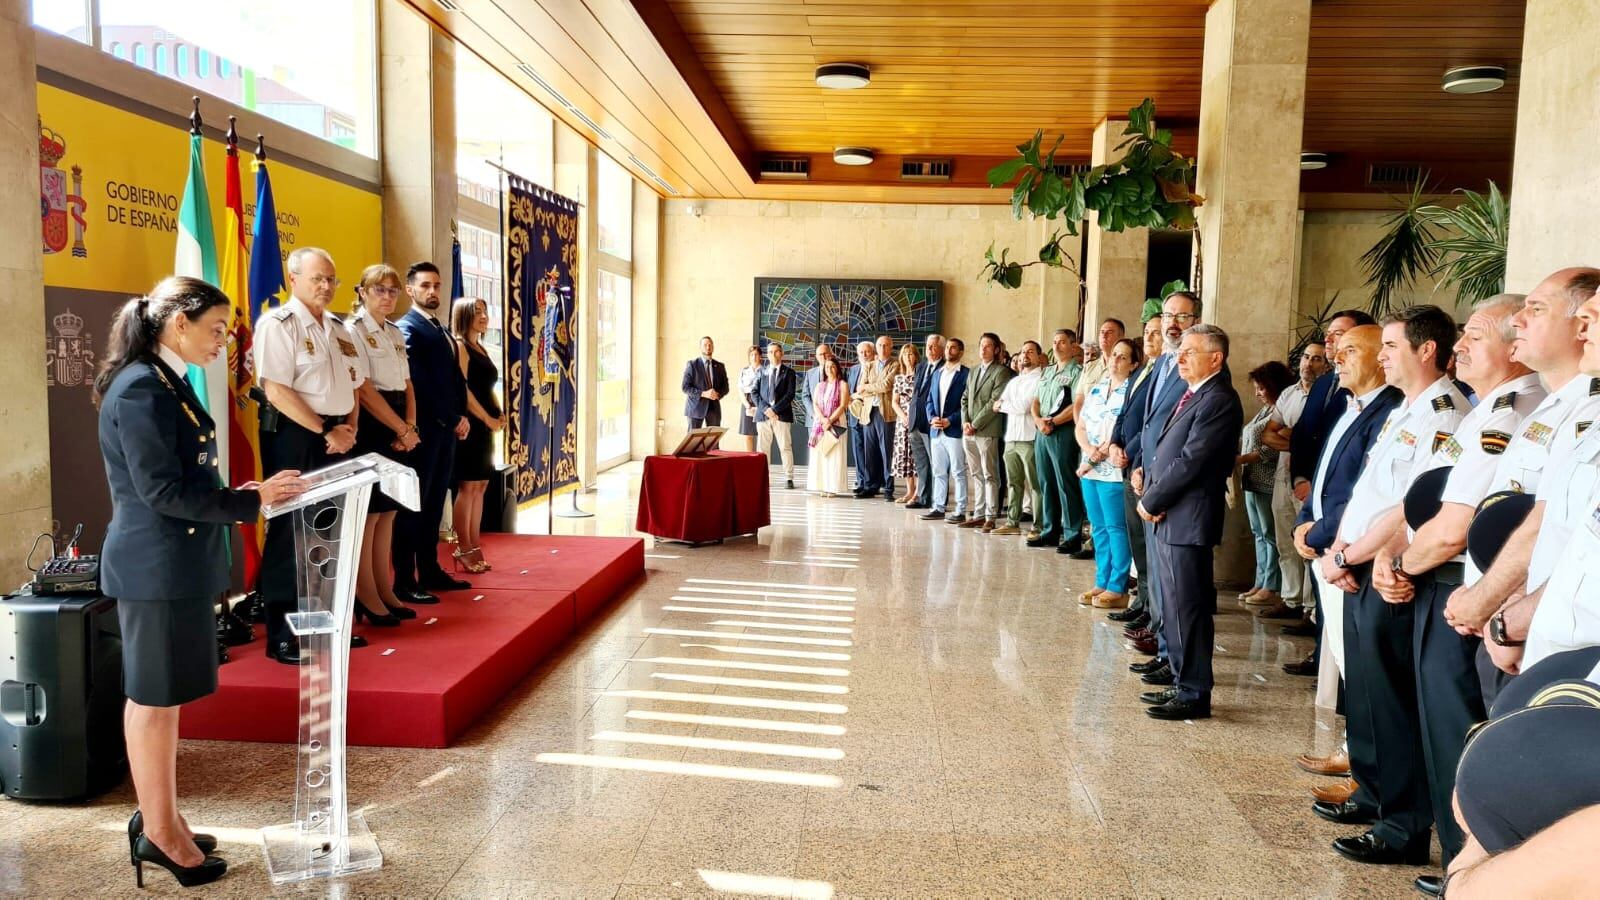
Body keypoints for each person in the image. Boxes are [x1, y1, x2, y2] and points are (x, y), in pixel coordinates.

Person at [97, 276, 308, 887]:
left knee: (164, 699)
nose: (224, 342)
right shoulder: (143, 387)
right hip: (155, 567)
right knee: (154, 701)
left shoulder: (166, 379)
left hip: (174, 565)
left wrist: (241, 496)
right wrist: (251, 504)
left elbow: (181, 480)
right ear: (178, 321)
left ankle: (163, 817)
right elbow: (161, 492)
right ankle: (159, 835)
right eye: (216, 329)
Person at [1373, 294, 1541, 891]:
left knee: (1459, 729)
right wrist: (1394, 555)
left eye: (1476, 333)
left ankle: (1467, 862)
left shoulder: (1514, 411)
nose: (1460, 346)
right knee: (1441, 726)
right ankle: (1458, 858)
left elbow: (1457, 525)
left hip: (1470, 591)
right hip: (1451, 583)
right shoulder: (1486, 409)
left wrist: (1402, 562)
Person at [1311, 306, 1467, 866]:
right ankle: (1373, 793)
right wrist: (1344, 552)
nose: (1381, 355)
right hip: (1360, 564)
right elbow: (1370, 494)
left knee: (1393, 702)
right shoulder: (1408, 410)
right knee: (1369, 696)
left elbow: (1412, 507)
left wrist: (1357, 554)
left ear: (1427, 350)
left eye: (1392, 346)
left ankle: (1401, 826)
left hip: (1389, 570)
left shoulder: (1445, 415)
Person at [1444, 269, 1600, 707]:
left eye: (1536, 309)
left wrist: (1502, 614)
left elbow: (1549, 535)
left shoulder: (1583, 411)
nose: (1519, 322)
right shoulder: (1555, 409)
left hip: (1559, 645)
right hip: (1526, 626)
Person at [255, 247, 366, 664]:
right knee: (289, 534)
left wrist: (349, 428)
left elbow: (355, 384)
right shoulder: (278, 325)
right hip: (297, 435)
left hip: (338, 433)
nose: (325, 287)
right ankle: (283, 633)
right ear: (293, 278)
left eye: (331, 279)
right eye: (317, 278)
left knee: (329, 531)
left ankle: (324, 626)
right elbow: (277, 390)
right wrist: (325, 430)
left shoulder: (341, 327)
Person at [1136, 323, 1244, 720]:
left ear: (1216, 358)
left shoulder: (1219, 400)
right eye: (1180, 352)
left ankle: (1194, 692)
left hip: (1187, 516)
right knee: (1173, 603)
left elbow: (1192, 462)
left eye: (1190, 352)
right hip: (1171, 514)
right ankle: (1180, 678)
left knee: (1188, 608)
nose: (1179, 358)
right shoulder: (1193, 393)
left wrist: (1152, 498)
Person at [1127, 292, 1205, 682]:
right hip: (1150, 483)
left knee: (1176, 590)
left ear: (1197, 322)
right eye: (1168, 315)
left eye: (1182, 316)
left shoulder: (1201, 379)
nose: (1172, 323)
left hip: (1173, 498)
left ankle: (1176, 660)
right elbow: (1148, 426)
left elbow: (1187, 448)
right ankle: (1162, 648)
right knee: (1156, 579)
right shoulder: (1161, 364)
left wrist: (1157, 487)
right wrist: (1140, 467)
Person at [347, 265, 423, 625]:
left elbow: (407, 383)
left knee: (389, 510)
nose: (388, 297)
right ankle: (366, 593)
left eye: (393, 291)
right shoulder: (353, 330)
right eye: (380, 290)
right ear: (362, 292)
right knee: (369, 513)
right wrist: (398, 427)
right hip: (371, 423)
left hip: (397, 421)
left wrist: (410, 425)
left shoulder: (394, 332)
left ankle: (384, 587)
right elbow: (362, 388)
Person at [395, 261, 471, 605]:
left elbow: (452, 379)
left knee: (433, 506)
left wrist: (461, 415)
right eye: (425, 286)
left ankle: (429, 569)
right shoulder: (408, 328)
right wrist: (449, 417)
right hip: (424, 432)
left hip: (445, 431)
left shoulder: (437, 327)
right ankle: (406, 579)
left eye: (437, 285)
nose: (433, 292)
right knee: (415, 507)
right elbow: (419, 385)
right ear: (410, 290)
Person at [1257, 342, 1329, 625]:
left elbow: (1317, 440)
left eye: (1317, 359)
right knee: (1284, 535)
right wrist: (1300, 443)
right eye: (1306, 357)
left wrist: (1301, 444)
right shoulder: (1289, 393)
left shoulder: (1328, 395)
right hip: (1283, 470)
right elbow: (1269, 434)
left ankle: (1310, 607)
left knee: (1308, 537)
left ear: (1326, 364)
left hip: (1309, 475)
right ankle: (1291, 597)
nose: (1309, 364)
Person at [1107, 316, 1165, 634]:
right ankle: (1141, 601)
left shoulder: (1165, 373)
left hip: (1143, 465)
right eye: (1146, 332)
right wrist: (1115, 443)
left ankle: (1151, 607)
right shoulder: (1141, 373)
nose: (1150, 337)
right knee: (1136, 539)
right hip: (1127, 463)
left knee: (1148, 541)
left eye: (1155, 333)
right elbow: (1125, 414)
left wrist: (1129, 450)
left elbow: (1151, 425)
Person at [1076, 337, 1141, 608]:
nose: (1115, 360)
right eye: (1114, 354)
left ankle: (1118, 586)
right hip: (1088, 467)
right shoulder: (1097, 388)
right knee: (1098, 528)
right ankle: (1101, 581)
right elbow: (1080, 426)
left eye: (1122, 357)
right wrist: (1088, 451)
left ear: (1134, 364)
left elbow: (1118, 431)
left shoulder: (1131, 392)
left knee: (1116, 528)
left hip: (1111, 470)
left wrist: (1095, 456)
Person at [451, 297, 503, 574]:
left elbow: (487, 387)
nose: (483, 316)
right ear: (464, 316)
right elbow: (464, 391)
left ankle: (475, 543)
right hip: (470, 425)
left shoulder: (480, 346)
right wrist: (485, 418)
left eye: (485, 311)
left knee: (481, 486)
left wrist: (498, 413)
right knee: (468, 487)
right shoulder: (460, 346)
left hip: (486, 425)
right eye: (477, 312)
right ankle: (464, 546)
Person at [1238, 361, 1295, 609]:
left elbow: (1269, 449)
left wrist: (1241, 458)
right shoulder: (1265, 411)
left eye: (1261, 388)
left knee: (1270, 535)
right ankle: (1260, 581)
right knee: (1258, 533)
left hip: (1268, 481)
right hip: (1251, 479)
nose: (1257, 393)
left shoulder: (1281, 412)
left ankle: (1271, 585)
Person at [1032, 329, 1087, 553]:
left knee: (1065, 483)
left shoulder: (1078, 372)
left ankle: (1072, 533)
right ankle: (1049, 530)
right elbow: (1036, 400)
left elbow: (1076, 405)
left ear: (1073, 346)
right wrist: (1038, 420)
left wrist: (1053, 422)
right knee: (1045, 482)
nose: (1057, 346)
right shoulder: (1046, 372)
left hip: (1062, 431)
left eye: (1062, 342)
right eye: (1054, 342)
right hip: (1042, 431)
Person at [960, 333, 1013, 532]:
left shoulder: (1001, 372)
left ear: (997, 349)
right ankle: (979, 513)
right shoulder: (973, 371)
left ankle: (991, 515)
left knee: (990, 474)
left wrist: (975, 423)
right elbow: (965, 398)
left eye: (988, 346)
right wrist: (966, 422)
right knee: (975, 473)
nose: (983, 349)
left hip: (987, 430)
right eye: (981, 345)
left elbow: (994, 402)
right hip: (969, 431)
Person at [994, 341, 1044, 535]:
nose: (1025, 355)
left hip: (1029, 437)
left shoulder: (1040, 379)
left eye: (1030, 352)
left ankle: (1038, 525)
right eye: (1023, 352)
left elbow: (1023, 407)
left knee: (1035, 484)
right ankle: (1012, 521)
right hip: (1011, 438)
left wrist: (1004, 405)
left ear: (1039, 357)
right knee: (1013, 483)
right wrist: (1005, 405)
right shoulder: (1014, 381)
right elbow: (997, 404)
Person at [923, 338, 970, 523]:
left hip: (954, 430)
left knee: (958, 471)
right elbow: (929, 401)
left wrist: (951, 420)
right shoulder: (937, 373)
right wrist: (931, 418)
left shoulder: (966, 374)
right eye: (948, 347)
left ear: (961, 352)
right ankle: (938, 507)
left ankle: (960, 510)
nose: (949, 350)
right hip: (936, 431)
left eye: (953, 348)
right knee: (939, 471)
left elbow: (966, 404)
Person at [908, 334, 945, 509]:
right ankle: (924, 498)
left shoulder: (945, 368)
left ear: (942, 349)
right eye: (927, 346)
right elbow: (916, 393)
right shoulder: (921, 366)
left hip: (932, 423)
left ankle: (938, 500)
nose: (929, 349)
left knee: (936, 464)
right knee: (921, 463)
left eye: (933, 346)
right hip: (915, 421)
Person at [755, 341, 798, 489]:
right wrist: (766, 409)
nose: (773, 354)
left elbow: (790, 395)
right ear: (767, 355)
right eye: (770, 352)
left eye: (776, 351)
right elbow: (754, 393)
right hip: (763, 415)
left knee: (785, 446)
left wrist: (775, 410)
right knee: (762, 449)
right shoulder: (761, 371)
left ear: (781, 353)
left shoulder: (789, 372)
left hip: (782, 415)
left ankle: (789, 477)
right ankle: (762, 477)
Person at [853, 340, 893, 500]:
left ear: (890, 347)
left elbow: (886, 385)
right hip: (869, 412)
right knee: (870, 452)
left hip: (885, 413)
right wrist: (870, 388)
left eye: (885, 345)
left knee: (886, 452)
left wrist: (869, 387)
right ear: (877, 348)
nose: (882, 348)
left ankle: (888, 488)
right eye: (880, 345)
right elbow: (860, 388)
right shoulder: (869, 365)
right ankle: (870, 487)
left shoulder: (895, 365)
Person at [807, 357, 852, 497]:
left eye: (832, 366)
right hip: (820, 423)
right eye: (827, 367)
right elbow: (815, 404)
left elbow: (843, 405)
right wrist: (822, 419)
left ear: (837, 368)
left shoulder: (843, 384)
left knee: (834, 454)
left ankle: (832, 487)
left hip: (836, 423)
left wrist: (830, 420)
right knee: (821, 454)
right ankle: (821, 485)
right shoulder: (820, 385)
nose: (829, 369)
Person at [890, 344, 922, 505]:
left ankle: (918, 492)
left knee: (917, 456)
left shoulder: (921, 376)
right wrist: (903, 416)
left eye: (911, 354)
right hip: (903, 422)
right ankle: (909, 491)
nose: (908, 358)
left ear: (916, 356)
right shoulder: (899, 377)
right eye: (905, 355)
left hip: (918, 419)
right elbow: (894, 402)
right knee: (906, 457)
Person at [682, 336, 729, 429]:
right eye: (705, 345)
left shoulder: (720, 366)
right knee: (693, 442)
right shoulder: (692, 365)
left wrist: (718, 394)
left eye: (710, 345)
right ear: (700, 347)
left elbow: (725, 387)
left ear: (713, 347)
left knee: (714, 441)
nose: (708, 347)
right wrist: (703, 393)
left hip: (714, 409)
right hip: (695, 408)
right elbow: (685, 387)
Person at [736, 345, 762, 451]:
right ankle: (750, 457)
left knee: (762, 433)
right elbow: (740, 389)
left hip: (760, 402)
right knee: (748, 434)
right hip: (747, 402)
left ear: (760, 356)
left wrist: (761, 405)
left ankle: (760, 459)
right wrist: (747, 404)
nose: (754, 357)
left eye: (756, 354)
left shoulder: (765, 371)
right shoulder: (744, 370)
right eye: (751, 355)